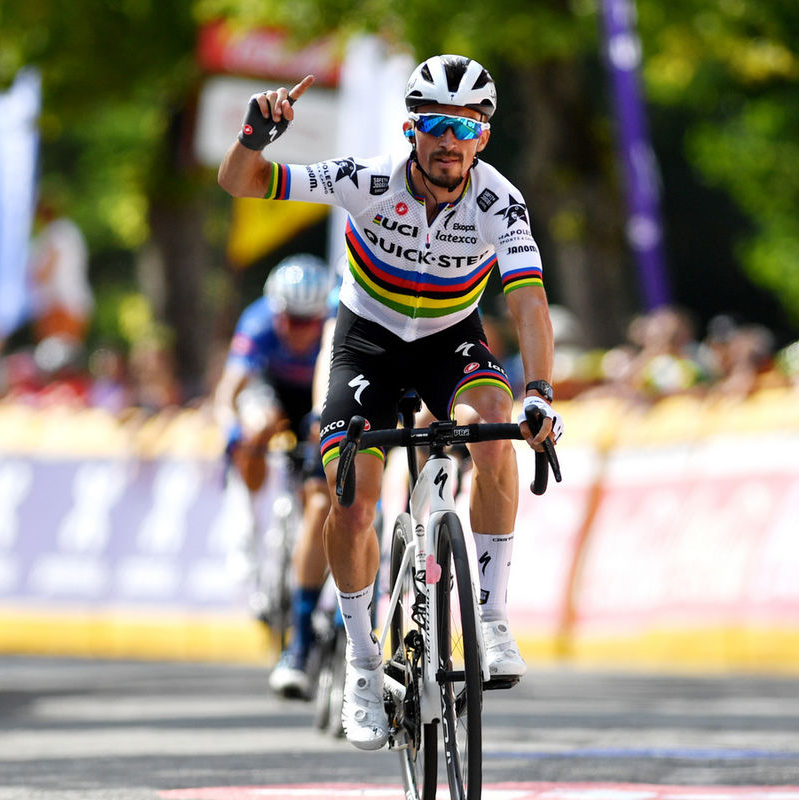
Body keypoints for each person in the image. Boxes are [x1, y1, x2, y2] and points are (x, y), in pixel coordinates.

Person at [217, 54, 563, 750]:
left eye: (465, 127)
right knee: (353, 497)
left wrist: (541, 394)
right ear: (411, 129)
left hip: (449, 342)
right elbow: (242, 182)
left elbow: (527, 302)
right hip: (366, 345)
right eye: (434, 124)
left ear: (483, 138)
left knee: (493, 433)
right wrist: (254, 138)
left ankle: (490, 621)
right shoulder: (366, 180)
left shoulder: (500, 200)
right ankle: (363, 666)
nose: (448, 140)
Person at [212, 254, 334, 699]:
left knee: (319, 484)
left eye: (310, 321)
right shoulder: (258, 322)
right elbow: (229, 391)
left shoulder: (335, 318)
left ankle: (306, 538)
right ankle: (253, 521)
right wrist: (231, 429)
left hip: (319, 395)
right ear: (274, 311)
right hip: (273, 394)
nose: (300, 329)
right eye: (291, 320)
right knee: (256, 427)